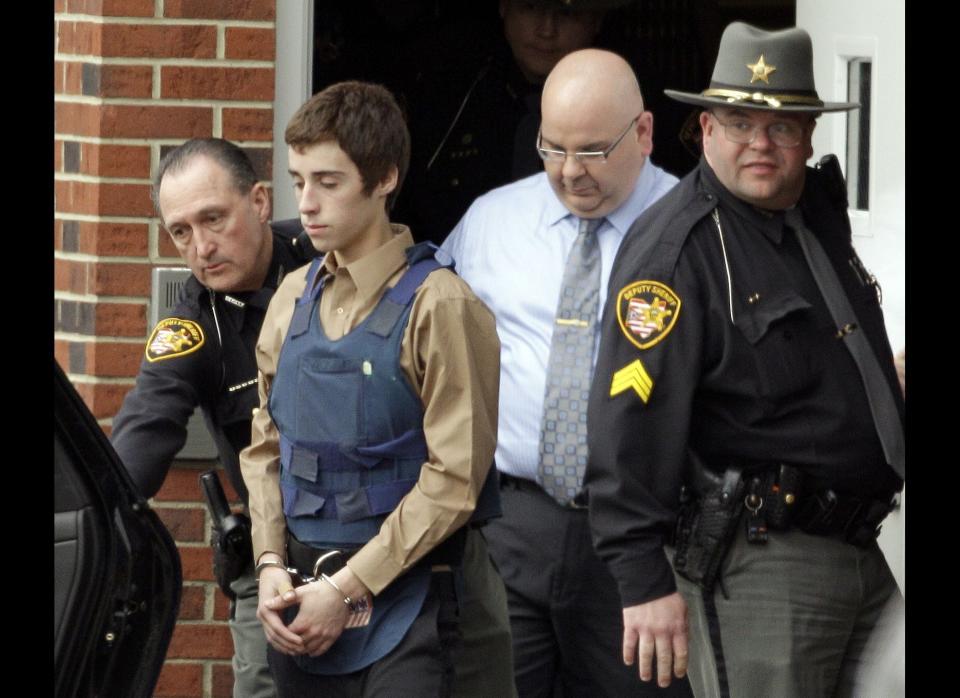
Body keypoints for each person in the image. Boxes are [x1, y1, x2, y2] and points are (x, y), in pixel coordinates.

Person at [586, 22, 905, 697]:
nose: (761, 142)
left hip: (860, 553)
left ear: (811, 134)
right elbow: (626, 426)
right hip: (762, 568)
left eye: (782, 125)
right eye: (740, 121)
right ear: (705, 130)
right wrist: (642, 582)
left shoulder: (813, 218)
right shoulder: (675, 253)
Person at [240, 80, 512, 697]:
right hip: (301, 602)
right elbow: (265, 448)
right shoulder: (290, 298)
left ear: (384, 179)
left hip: (417, 603)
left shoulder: (441, 305)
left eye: (328, 182)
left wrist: (345, 588)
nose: (305, 203)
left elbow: (454, 481)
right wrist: (269, 565)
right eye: (298, 179)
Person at [443, 49, 689, 696]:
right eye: (552, 148)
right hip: (511, 524)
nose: (570, 173)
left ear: (643, 133)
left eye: (592, 151)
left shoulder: (694, 229)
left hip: (644, 538)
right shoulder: (491, 222)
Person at [110, 137, 318, 698]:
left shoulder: (325, 257)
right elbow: (140, 439)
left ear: (258, 201)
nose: (201, 247)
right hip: (274, 560)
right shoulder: (192, 329)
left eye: (213, 218)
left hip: (379, 544)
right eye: (181, 232)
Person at [396, 0, 630, 246]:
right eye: (531, 7)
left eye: (566, 13)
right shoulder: (455, 100)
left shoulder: (627, 113)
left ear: (596, 20)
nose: (547, 30)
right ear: (504, 8)